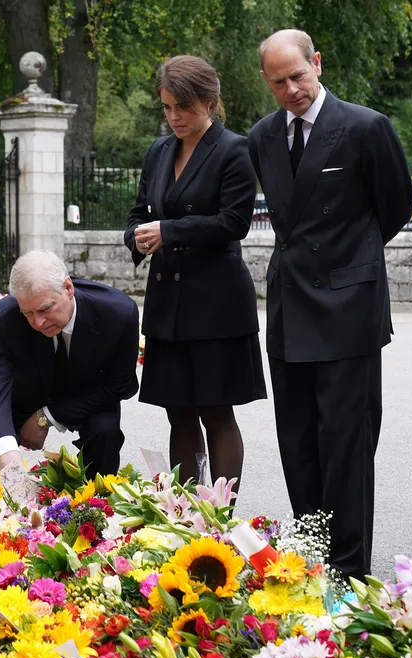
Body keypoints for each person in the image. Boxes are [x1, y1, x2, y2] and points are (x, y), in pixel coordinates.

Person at [247, 29, 412, 582]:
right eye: (279, 81)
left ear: (317, 62)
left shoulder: (367, 127)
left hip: (349, 311)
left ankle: (348, 573)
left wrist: (347, 266)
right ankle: (314, 561)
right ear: (266, 82)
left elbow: (394, 209)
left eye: (299, 74)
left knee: (346, 446)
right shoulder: (263, 137)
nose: (292, 88)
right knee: (297, 442)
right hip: (290, 309)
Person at [124, 55, 266, 491]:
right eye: (166, 107)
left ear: (209, 100)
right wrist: (138, 237)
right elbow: (137, 213)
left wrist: (169, 230)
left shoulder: (234, 149)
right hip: (168, 304)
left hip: (216, 304)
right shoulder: (159, 150)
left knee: (215, 411)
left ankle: (220, 522)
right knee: (178, 411)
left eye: (182, 107)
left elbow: (234, 222)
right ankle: (183, 518)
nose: (173, 117)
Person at [0, 250, 140, 476]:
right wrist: (9, 461)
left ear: (68, 289)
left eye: (45, 309)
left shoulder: (118, 313)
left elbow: (118, 385)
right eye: (27, 313)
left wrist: (45, 418)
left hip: (87, 393)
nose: (37, 322)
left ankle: (97, 503)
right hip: (26, 390)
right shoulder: (5, 316)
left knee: (104, 431)